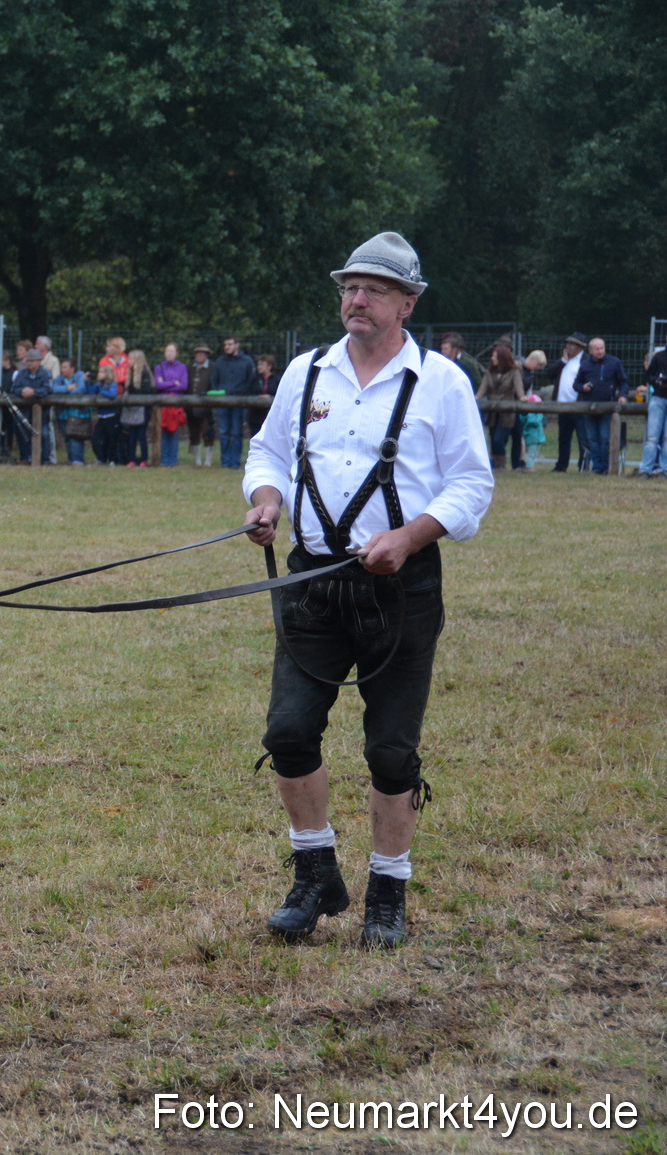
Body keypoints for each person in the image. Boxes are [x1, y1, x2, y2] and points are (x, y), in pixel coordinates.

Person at [241, 231, 493, 950]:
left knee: (390, 751)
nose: (356, 299)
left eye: (374, 289)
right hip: (313, 580)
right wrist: (267, 499)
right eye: (349, 287)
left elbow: (473, 483)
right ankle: (316, 872)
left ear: (407, 303)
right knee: (288, 732)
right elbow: (268, 449)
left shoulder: (441, 382)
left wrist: (408, 538)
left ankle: (389, 888)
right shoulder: (307, 371)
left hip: (401, 588)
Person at [572, 337, 627, 474]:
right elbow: (576, 384)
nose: (600, 351)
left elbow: (623, 382)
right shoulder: (585, 365)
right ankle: (597, 467)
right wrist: (583, 387)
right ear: (590, 351)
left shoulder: (614, 362)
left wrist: (622, 395)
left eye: (602, 348)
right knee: (592, 439)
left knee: (605, 438)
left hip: (608, 407)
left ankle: (607, 466)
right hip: (589, 407)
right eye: (596, 349)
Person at [477, 343, 527, 470]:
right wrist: (474, 398)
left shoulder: (514, 372)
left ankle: (502, 465)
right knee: (493, 439)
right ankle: (497, 465)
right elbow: (481, 392)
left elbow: (518, 388)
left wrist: (522, 397)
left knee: (499, 439)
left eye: (494, 356)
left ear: (502, 357)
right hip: (493, 412)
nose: (492, 358)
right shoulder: (489, 373)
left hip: (507, 412)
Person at [211, 335, 258, 467]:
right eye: (225, 345)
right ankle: (225, 462)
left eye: (230, 344)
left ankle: (235, 462)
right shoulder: (220, 362)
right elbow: (214, 380)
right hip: (222, 401)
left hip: (239, 402)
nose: (227, 347)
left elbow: (251, 380)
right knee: (223, 432)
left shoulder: (247, 361)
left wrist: (242, 393)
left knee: (237, 432)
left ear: (237, 345)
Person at [6, 347, 54, 464]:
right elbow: (14, 388)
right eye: (28, 361)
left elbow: (47, 389)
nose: (29, 363)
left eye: (32, 361)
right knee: (22, 432)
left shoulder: (45, 373)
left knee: (44, 434)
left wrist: (34, 392)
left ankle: (45, 459)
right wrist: (22, 391)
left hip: (43, 412)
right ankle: (25, 457)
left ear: (39, 361)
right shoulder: (22, 373)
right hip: (24, 411)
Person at [550, 334, 587, 471]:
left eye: (572, 344)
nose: (569, 346)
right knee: (563, 438)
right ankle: (561, 465)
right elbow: (550, 374)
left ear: (580, 347)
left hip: (579, 406)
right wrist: (563, 361)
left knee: (582, 438)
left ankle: (583, 466)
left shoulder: (585, 361)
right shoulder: (564, 361)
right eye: (568, 343)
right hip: (563, 406)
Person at [153, 342, 188, 466]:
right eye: (167, 351)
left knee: (174, 431)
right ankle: (164, 459)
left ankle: (172, 460)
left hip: (176, 405)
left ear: (176, 353)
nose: (169, 353)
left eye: (172, 351)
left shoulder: (182, 367)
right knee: (163, 431)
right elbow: (158, 385)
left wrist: (166, 383)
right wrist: (174, 383)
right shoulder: (159, 367)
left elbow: (184, 385)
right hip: (163, 405)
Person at [56, 357, 93, 465]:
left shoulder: (80, 376)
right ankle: (71, 460)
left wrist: (64, 394)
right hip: (62, 414)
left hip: (77, 414)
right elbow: (53, 388)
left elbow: (81, 389)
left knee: (76, 437)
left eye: (65, 367)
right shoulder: (59, 378)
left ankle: (78, 461)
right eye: (61, 367)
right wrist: (68, 388)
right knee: (67, 437)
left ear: (72, 368)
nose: (62, 370)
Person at [121, 348, 151, 466]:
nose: (129, 361)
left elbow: (146, 391)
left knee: (141, 435)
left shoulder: (144, 373)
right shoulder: (130, 373)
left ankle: (144, 459)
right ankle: (131, 459)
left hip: (143, 409)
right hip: (132, 409)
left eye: (131, 359)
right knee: (132, 435)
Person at [640, 346, 667, 479]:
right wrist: (657, 382)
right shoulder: (659, 357)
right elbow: (649, 375)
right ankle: (645, 469)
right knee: (652, 437)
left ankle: (664, 470)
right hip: (658, 398)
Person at [187, 342, 215, 465]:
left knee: (207, 432)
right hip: (190, 406)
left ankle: (208, 460)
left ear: (207, 355)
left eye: (202, 353)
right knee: (194, 432)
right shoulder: (189, 368)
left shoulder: (212, 368)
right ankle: (197, 460)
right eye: (197, 353)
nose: (199, 355)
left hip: (207, 406)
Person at [89, 362, 121, 465]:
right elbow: (91, 392)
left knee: (111, 439)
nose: (99, 374)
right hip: (101, 416)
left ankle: (113, 459)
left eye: (101, 372)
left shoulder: (112, 384)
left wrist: (102, 392)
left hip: (111, 416)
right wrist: (88, 382)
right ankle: (101, 458)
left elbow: (112, 394)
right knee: (96, 438)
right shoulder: (99, 384)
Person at [251, 353, 278, 436]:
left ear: (269, 366)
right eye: (258, 364)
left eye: (262, 364)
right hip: (256, 414)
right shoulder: (254, 379)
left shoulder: (276, 379)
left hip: (270, 414)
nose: (259, 367)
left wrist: (269, 397)